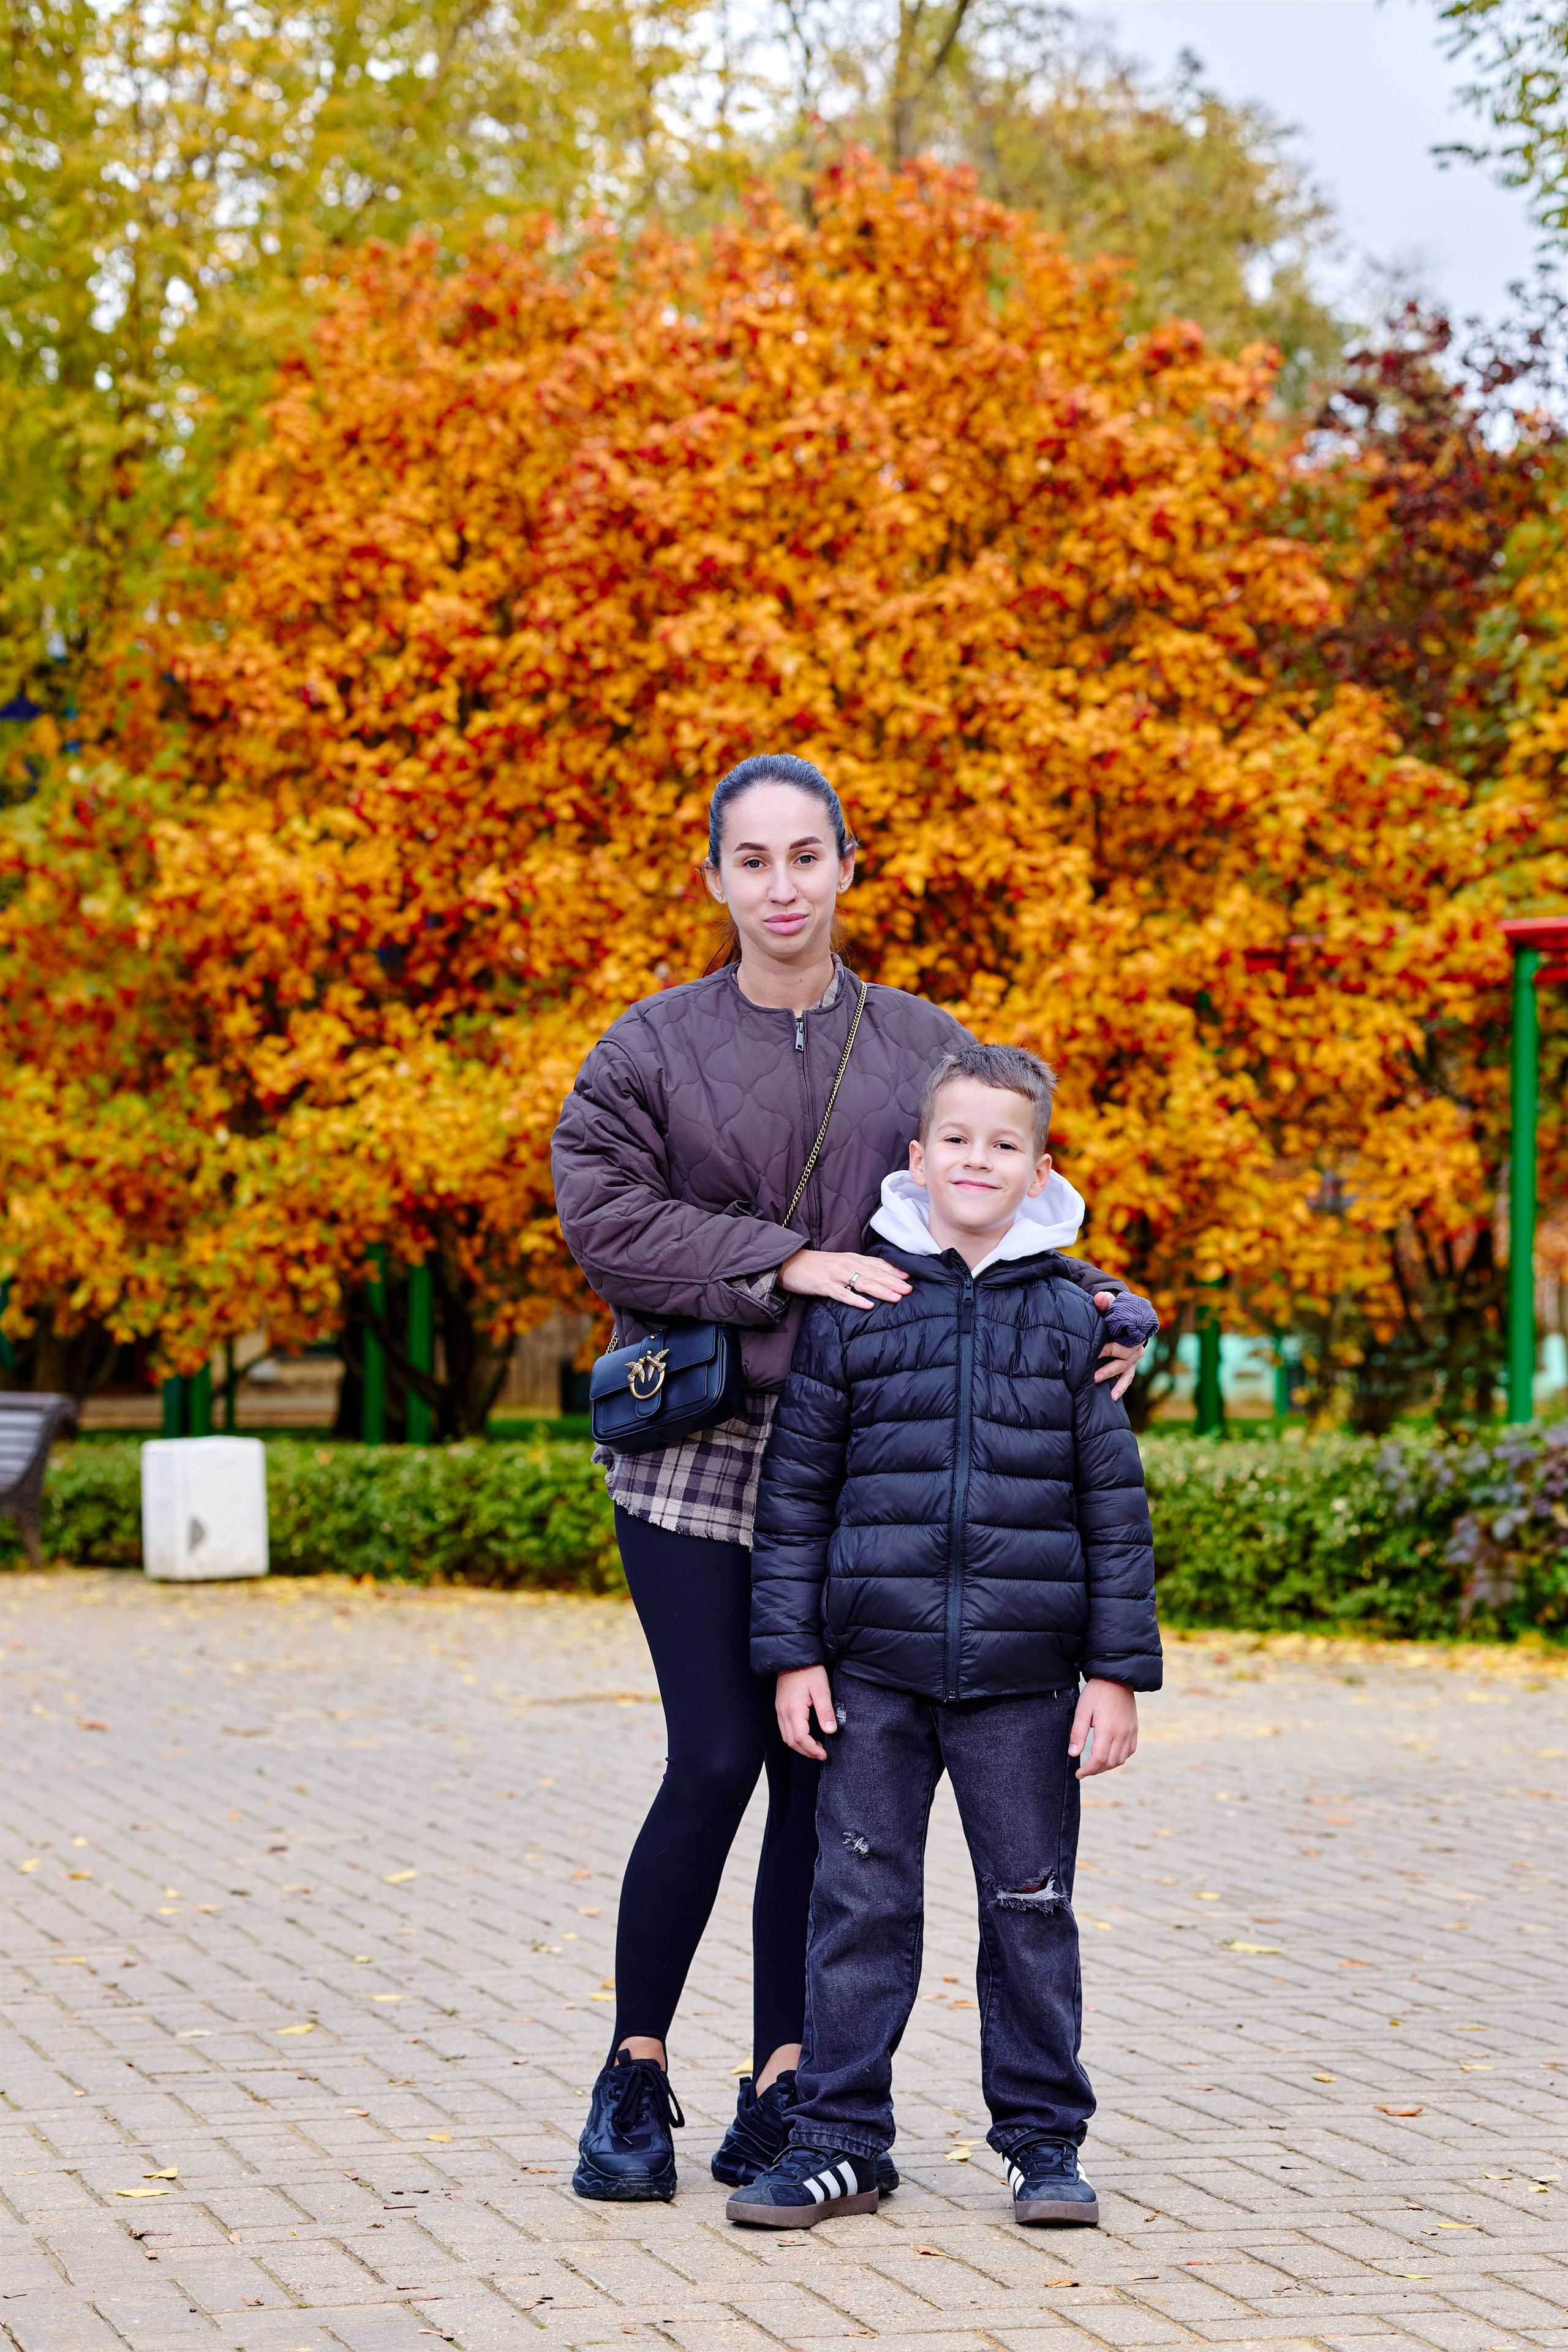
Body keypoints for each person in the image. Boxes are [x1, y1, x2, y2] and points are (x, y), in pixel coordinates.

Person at [550, 754, 1157, 2204]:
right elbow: (603, 1218)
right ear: (712, 877)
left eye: (805, 856)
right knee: (714, 1758)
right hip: (701, 1451)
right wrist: (786, 1264)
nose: (781, 886)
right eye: (751, 860)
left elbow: (989, 1187)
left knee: (813, 1777)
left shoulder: (918, 1041)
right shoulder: (645, 1047)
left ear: (845, 865)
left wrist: (1107, 1309)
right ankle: (633, 2068)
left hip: (868, 1460)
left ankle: (786, 2078)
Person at [728, 1041, 1161, 2231]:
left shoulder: (1077, 1322)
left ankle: (1042, 2141)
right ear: (916, 1159)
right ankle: (837, 2141)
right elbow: (795, 1495)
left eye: (1004, 1144)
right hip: (871, 1674)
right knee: (857, 1908)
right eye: (957, 1140)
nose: (979, 1160)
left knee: (1030, 1907)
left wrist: (1117, 1674)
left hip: (1027, 1679)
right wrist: (793, 1655)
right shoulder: (859, 1307)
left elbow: (1112, 1512)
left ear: (1040, 1170)